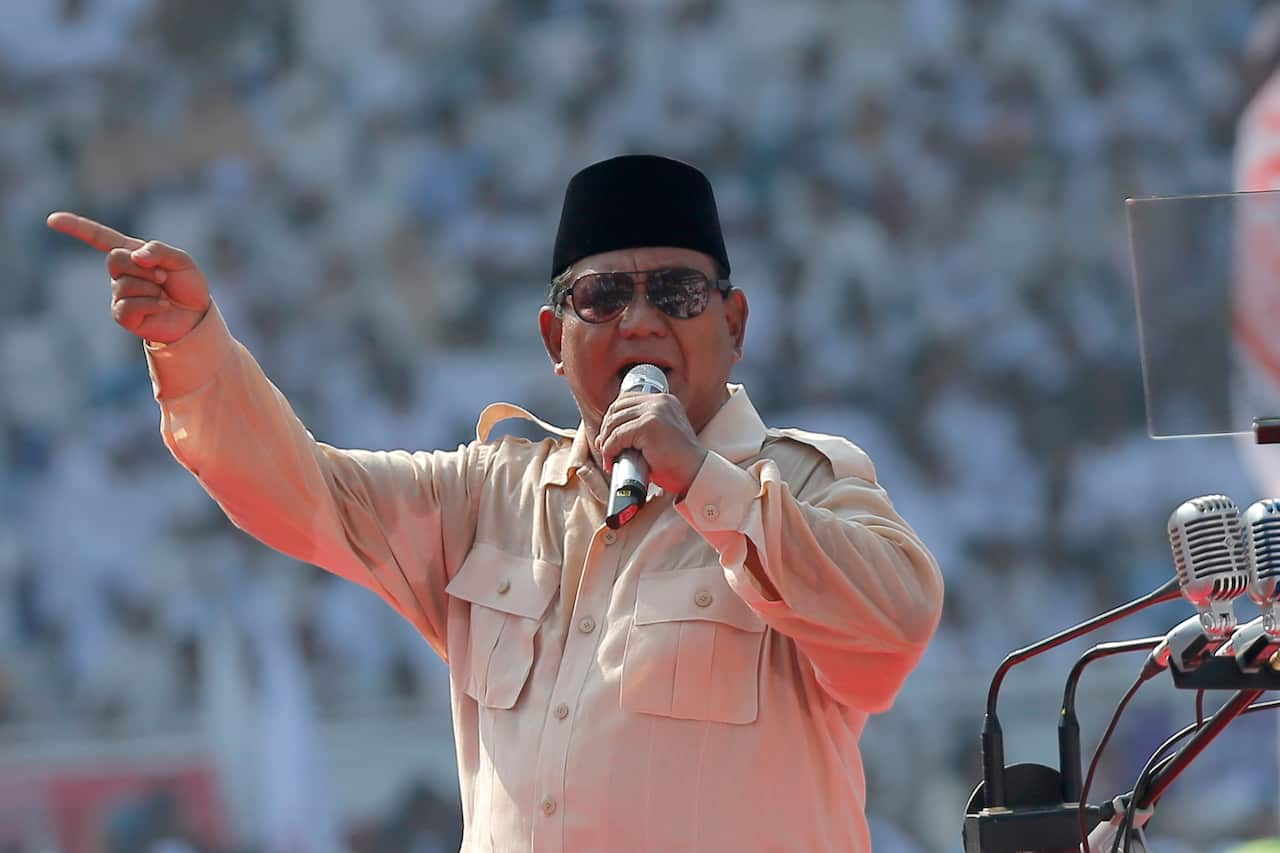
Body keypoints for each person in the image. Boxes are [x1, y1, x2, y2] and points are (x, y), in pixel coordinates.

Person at [48, 153, 944, 852]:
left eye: (675, 292)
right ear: (557, 339)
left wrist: (705, 484)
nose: (639, 322)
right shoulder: (489, 498)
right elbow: (300, 489)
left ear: (734, 325)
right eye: (603, 295)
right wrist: (193, 345)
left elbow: (894, 629)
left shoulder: (804, 482)